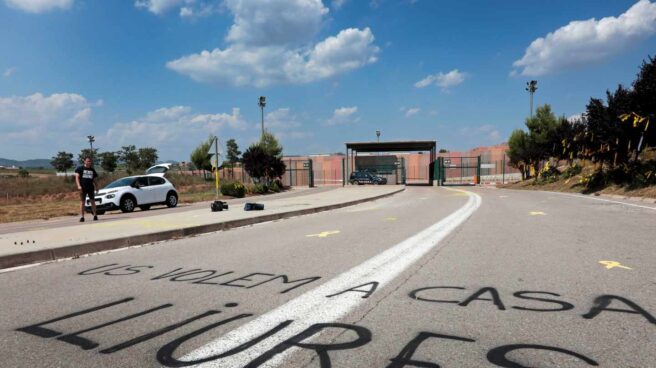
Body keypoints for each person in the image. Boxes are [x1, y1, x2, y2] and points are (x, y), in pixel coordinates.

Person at [75, 157, 99, 222]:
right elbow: (77, 178)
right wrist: (79, 186)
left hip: (90, 188)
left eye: (90, 161)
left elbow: (94, 179)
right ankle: (82, 217)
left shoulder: (92, 170)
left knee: (92, 202)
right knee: (82, 202)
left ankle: (95, 215)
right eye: (88, 161)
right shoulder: (80, 169)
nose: (89, 162)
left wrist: (97, 186)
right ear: (84, 161)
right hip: (83, 188)